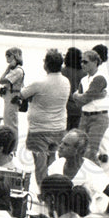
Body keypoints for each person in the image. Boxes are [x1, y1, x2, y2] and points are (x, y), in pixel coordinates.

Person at [20, 48, 71, 185]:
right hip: (58, 128)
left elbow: (22, 95)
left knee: (40, 165)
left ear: (46, 64)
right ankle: (53, 187)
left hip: (39, 130)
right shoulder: (66, 81)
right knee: (52, 160)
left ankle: (44, 191)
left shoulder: (39, 83)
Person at [47, 129, 109, 216]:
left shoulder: (92, 170)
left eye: (66, 145)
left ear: (78, 150)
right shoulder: (57, 165)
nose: (60, 146)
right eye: (61, 142)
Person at [71, 49, 109, 162]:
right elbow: (79, 102)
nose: (82, 64)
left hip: (98, 118)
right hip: (84, 117)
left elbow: (84, 98)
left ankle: (97, 177)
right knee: (80, 149)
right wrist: (89, 96)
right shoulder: (84, 79)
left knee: (90, 153)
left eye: (85, 62)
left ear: (95, 62)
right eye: (81, 62)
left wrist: (77, 95)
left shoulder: (100, 78)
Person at [0, 46, 24, 137]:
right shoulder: (14, 70)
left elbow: (2, 80)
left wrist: (7, 69)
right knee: (7, 121)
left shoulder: (17, 71)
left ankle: (13, 147)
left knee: (11, 123)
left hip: (13, 97)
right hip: (9, 96)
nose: (7, 58)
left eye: (9, 56)